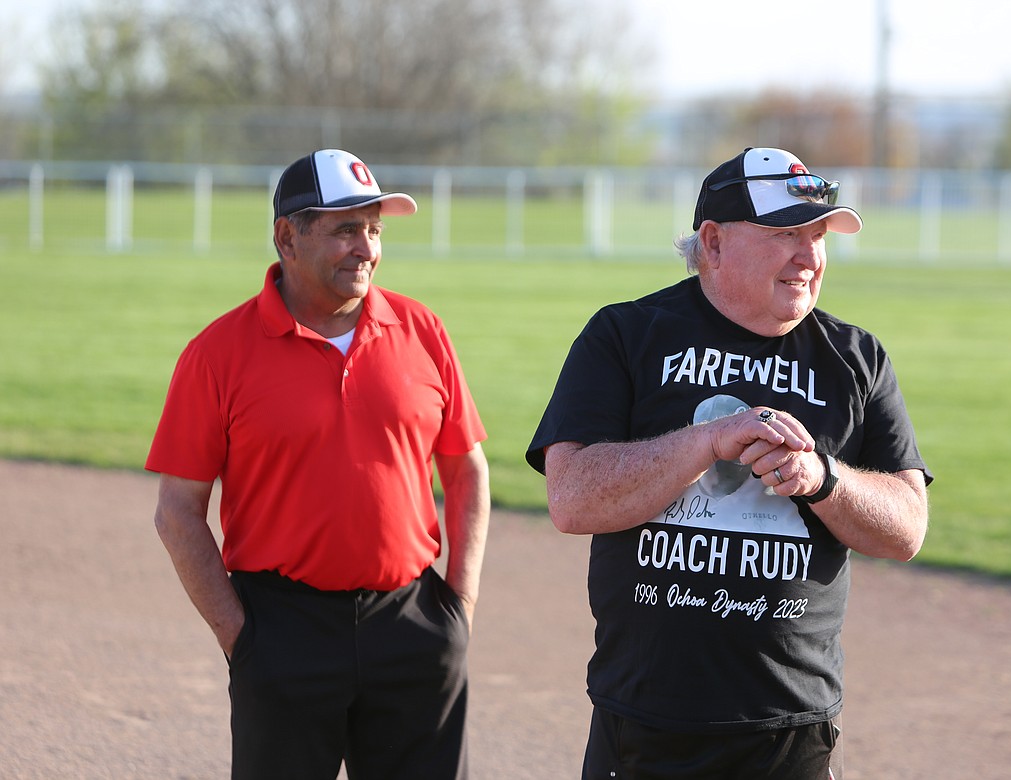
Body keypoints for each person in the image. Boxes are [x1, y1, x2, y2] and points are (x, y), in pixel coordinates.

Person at [526, 147, 932, 779]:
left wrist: (822, 478)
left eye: (817, 235)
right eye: (785, 234)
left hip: (790, 727)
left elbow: (907, 527)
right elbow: (573, 498)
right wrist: (709, 441)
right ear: (712, 243)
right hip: (646, 721)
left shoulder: (855, 358)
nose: (809, 255)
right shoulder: (626, 335)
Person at [147, 148, 490, 780]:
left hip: (413, 623)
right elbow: (177, 512)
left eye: (374, 229)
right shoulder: (216, 354)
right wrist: (242, 639)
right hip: (281, 629)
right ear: (287, 236)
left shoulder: (423, 331)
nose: (366, 247)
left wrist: (458, 606)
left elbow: (467, 469)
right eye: (345, 229)